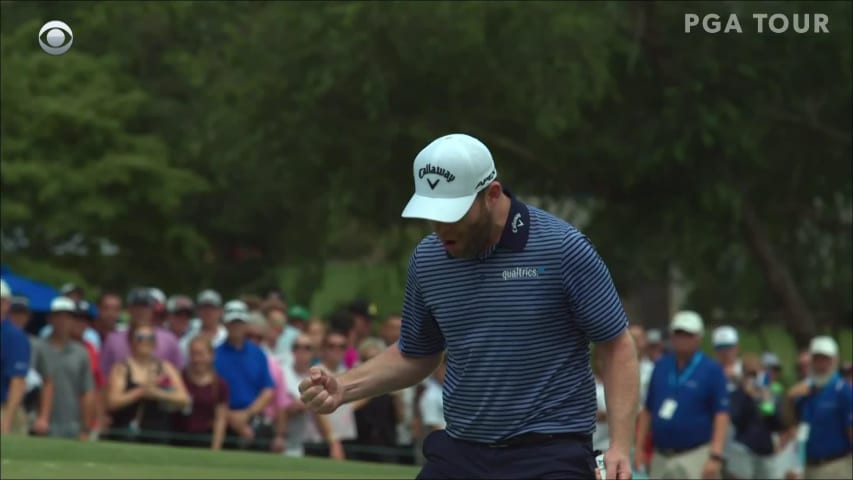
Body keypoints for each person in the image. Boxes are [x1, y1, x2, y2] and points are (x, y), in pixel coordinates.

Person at [299, 133, 639, 479]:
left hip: (549, 454)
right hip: (462, 452)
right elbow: (416, 354)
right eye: (432, 214)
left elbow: (616, 346)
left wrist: (620, 447)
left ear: (492, 194)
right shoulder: (428, 260)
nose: (441, 228)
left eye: (453, 214)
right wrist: (345, 386)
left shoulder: (562, 249)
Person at [635, 311, 729, 480]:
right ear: (671, 336)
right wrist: (640, 448)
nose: (683, 338)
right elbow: (648, 410)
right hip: (661, 455)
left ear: (698, 337)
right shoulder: (661, 366)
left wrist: (715, 456)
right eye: (679, 333)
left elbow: (721, 414)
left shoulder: (712, 369)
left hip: (696, 455)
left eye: (688, 334)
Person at [104, 323, 190, 444]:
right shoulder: (121, 368)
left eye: (150, 338)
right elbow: (112, 401)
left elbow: (184, 398)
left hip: (158, 433)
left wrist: (157, 393)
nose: (145, 342)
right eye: (140, 338)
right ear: (131, 341)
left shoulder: (166, 368)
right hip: (126, 433)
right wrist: (140, 392)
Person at [783, 336, 852, 480]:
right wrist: (789, 398)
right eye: (817, 359)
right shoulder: (805, 391)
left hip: (836, 466)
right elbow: (792, 424)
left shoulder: (843, 391)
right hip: (808, 466)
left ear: (834, 361)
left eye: (826, 360)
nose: (821, 365)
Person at [213, 300, 274, 450]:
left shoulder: (258, 353)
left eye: (239, 323)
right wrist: (231, 417)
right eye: (232, 323)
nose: (236, 327)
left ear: (246, 325)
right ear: (225, 324)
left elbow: (268, 390)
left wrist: (246, 414)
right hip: (222, 422)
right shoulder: (214, 354)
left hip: (252, 420)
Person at [34, 297, 96, 439]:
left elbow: (87, 391)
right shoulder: (37, 347)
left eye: (68, 316)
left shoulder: (81, 352)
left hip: (72, 424)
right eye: (58, 316)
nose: (63, 321)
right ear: (50, 318)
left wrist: (85, 428)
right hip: (40, 422)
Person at [282, 334, 345, 460]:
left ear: (313, 352)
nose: (302, 351)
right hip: (284, 439)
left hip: (311, 441)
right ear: (292, 350)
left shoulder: (318, 376)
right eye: (298, 347)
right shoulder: (282, 373)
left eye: (307, 348)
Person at [101, 288, 184, 376]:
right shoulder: (113, 339)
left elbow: (178, 372)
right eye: (137, 307)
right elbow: (105, 375)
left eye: (145, 307)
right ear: (129, 309)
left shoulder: (169, 339)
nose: (141, 311)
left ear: (152, 310)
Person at [727, 353, 784, 479]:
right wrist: (747, 396)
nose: (754, 378)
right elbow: (737, 420)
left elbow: (778, 425)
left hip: (765, 451)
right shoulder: (737, 394)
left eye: (757, 373)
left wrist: (768, 404)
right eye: (750, 374)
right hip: (743, 449)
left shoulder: (773, 393)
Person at [172, 335, 228, 450]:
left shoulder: (220, 385)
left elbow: (220, 419)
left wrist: (216, 448)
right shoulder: (179, 378)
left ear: (211, 356)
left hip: (204, 440)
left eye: (200, 354)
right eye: (193, 354)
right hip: (177, 439)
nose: (196, 359)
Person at [246, 312, 290, 453]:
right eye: (249, 336)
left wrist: (280, 436)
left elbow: (281, 403)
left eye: (258, 337)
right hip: (236, 423)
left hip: (264, 426)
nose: (253, 340)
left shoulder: (272, 364)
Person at [353, 337, 400, 463]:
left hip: (386, 445)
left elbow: (400, 418)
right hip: (360, 445)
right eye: (367, 360)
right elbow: (350, 410)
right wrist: (372, 389)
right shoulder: (354, 384)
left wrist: (397, 396)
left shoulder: (390, 385)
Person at [1, 278, 31, 435]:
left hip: (5, 407)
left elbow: (17, 382)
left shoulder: (13, 335)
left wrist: (6, 421)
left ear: (6, 304)